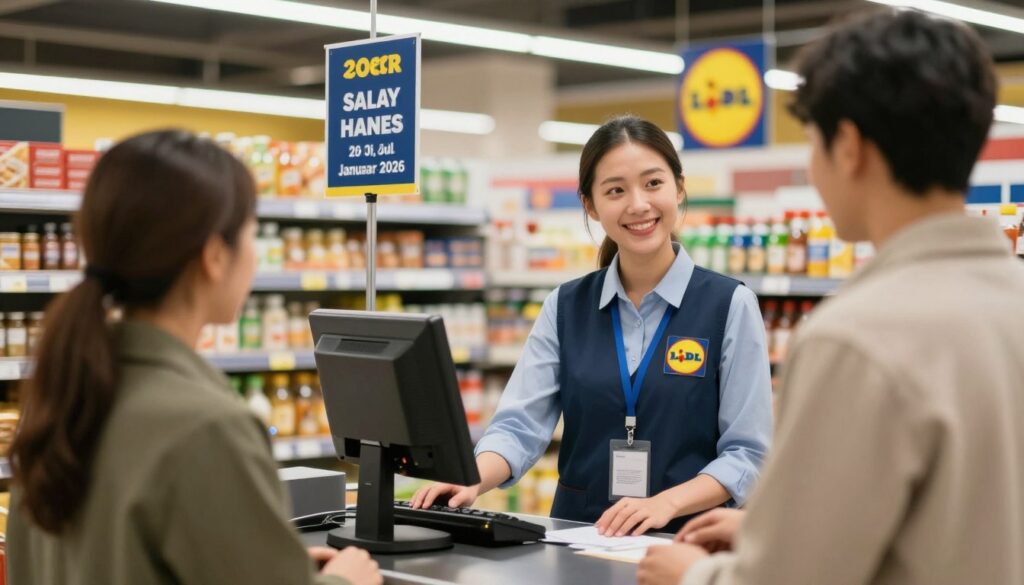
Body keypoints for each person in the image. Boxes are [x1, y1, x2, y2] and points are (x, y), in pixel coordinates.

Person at [638, 8, 1024, 585]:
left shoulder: (858, 336)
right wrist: (773, 530)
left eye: (814, 142)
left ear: (849, 146)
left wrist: (695, 576)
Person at [6, 130, 381, 585]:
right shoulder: (206, 426)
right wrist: (346, 581)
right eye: (251, 233)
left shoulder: (59, 399)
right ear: (213, 256)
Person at [413, 116, 772, 536]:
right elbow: (519, 426)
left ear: (678, 187)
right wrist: (470, 476)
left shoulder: (729, 305)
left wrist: (666, 503)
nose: (638, 204)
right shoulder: (565, 306)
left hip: (686, 544)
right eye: (616, 190)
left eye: (653, 183)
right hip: (578, 539)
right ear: (590, 205)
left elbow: (747, 453)